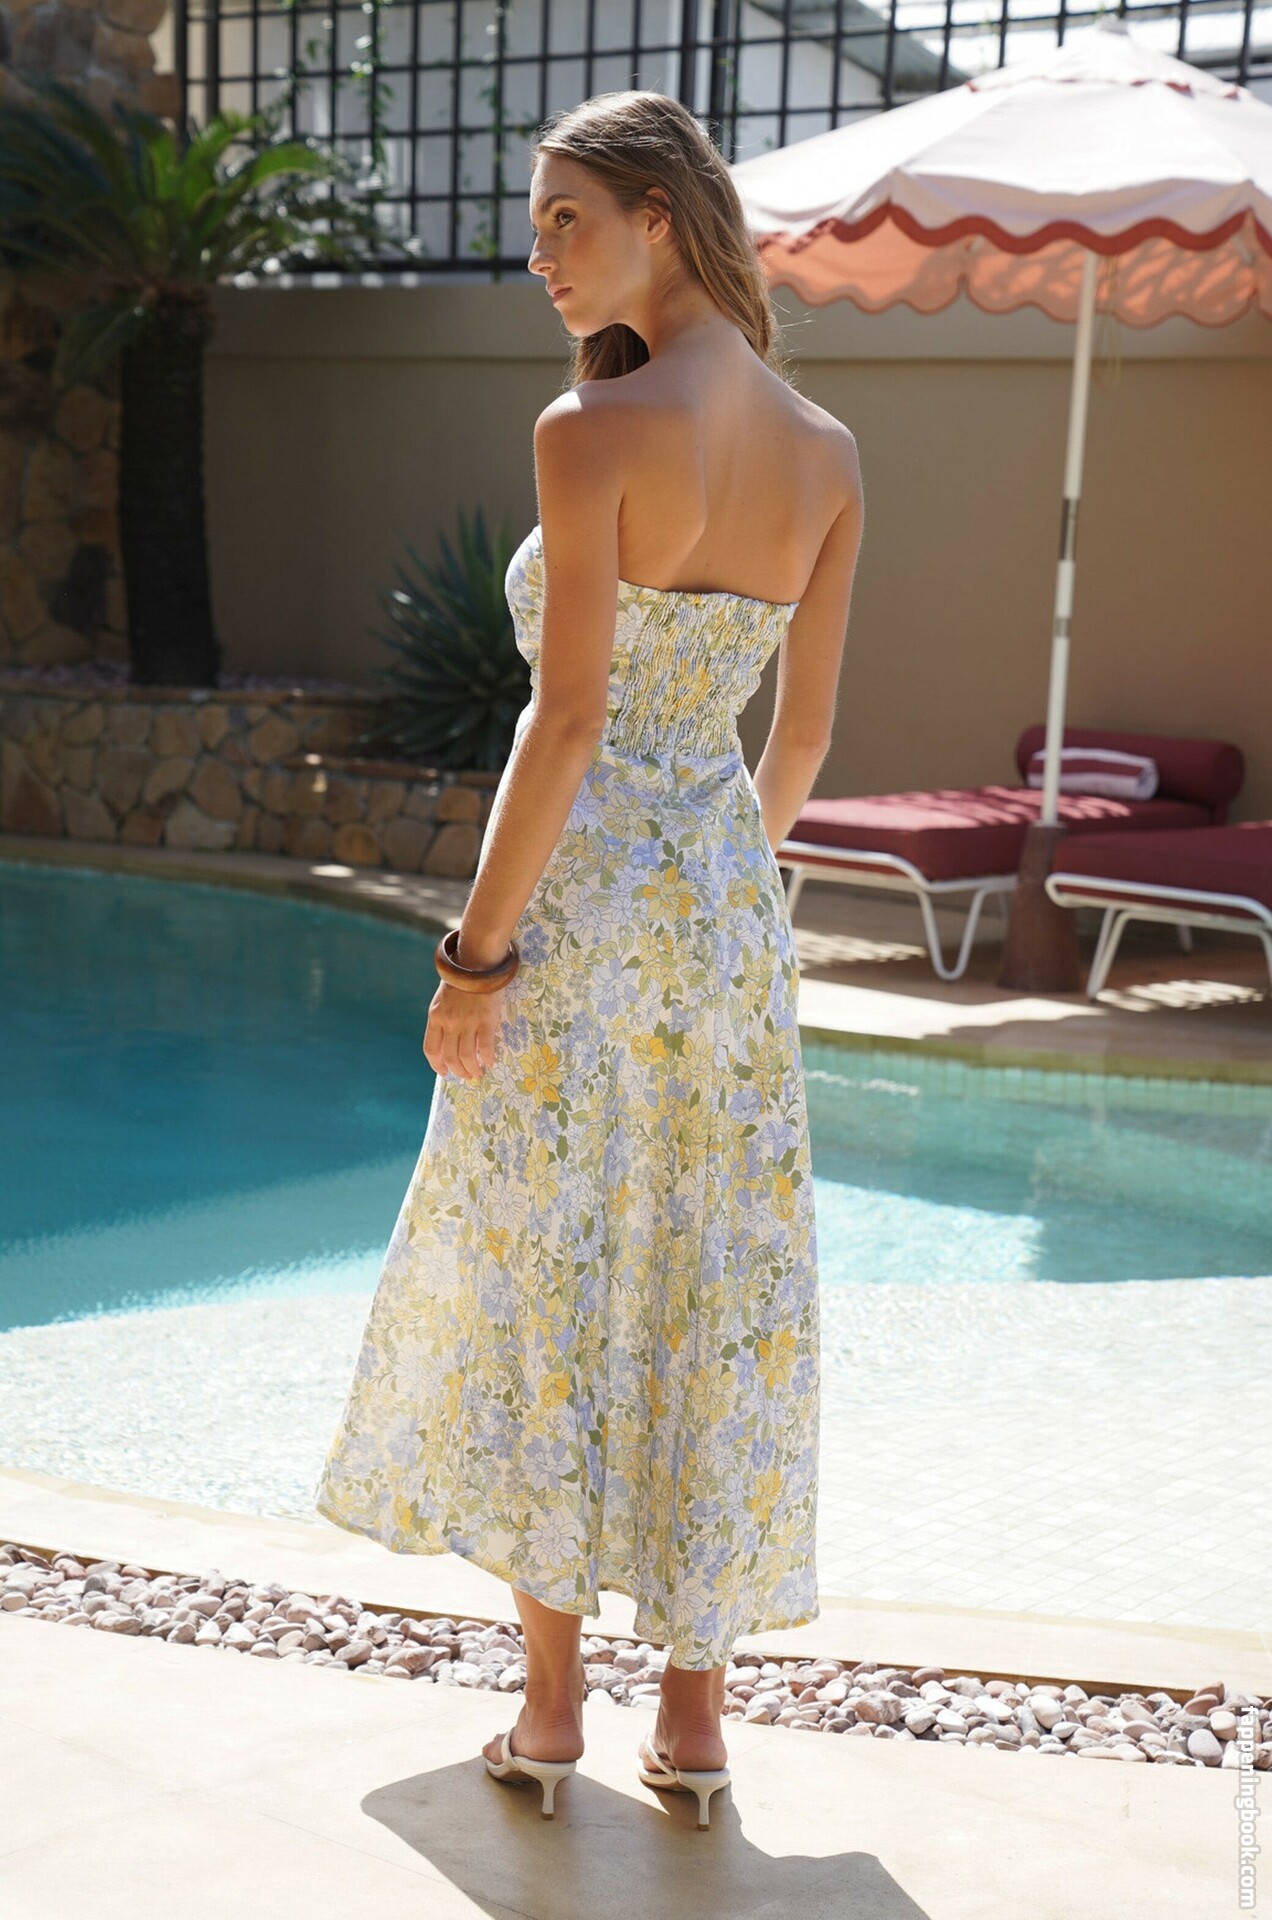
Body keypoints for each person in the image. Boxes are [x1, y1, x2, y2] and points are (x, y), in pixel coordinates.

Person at [314, 88, 863, 1827]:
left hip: (579, 903)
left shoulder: (591, 427)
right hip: (727, 915)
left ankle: (552, 1713)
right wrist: (713, 894)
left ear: (660, 219)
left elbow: (565, 727)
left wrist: (475, 954)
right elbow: (800, 742)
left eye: (568, 219)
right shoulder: (830, 455)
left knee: (549, 1273)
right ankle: (692, 1725)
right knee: (712, 1279)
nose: (540, 254)